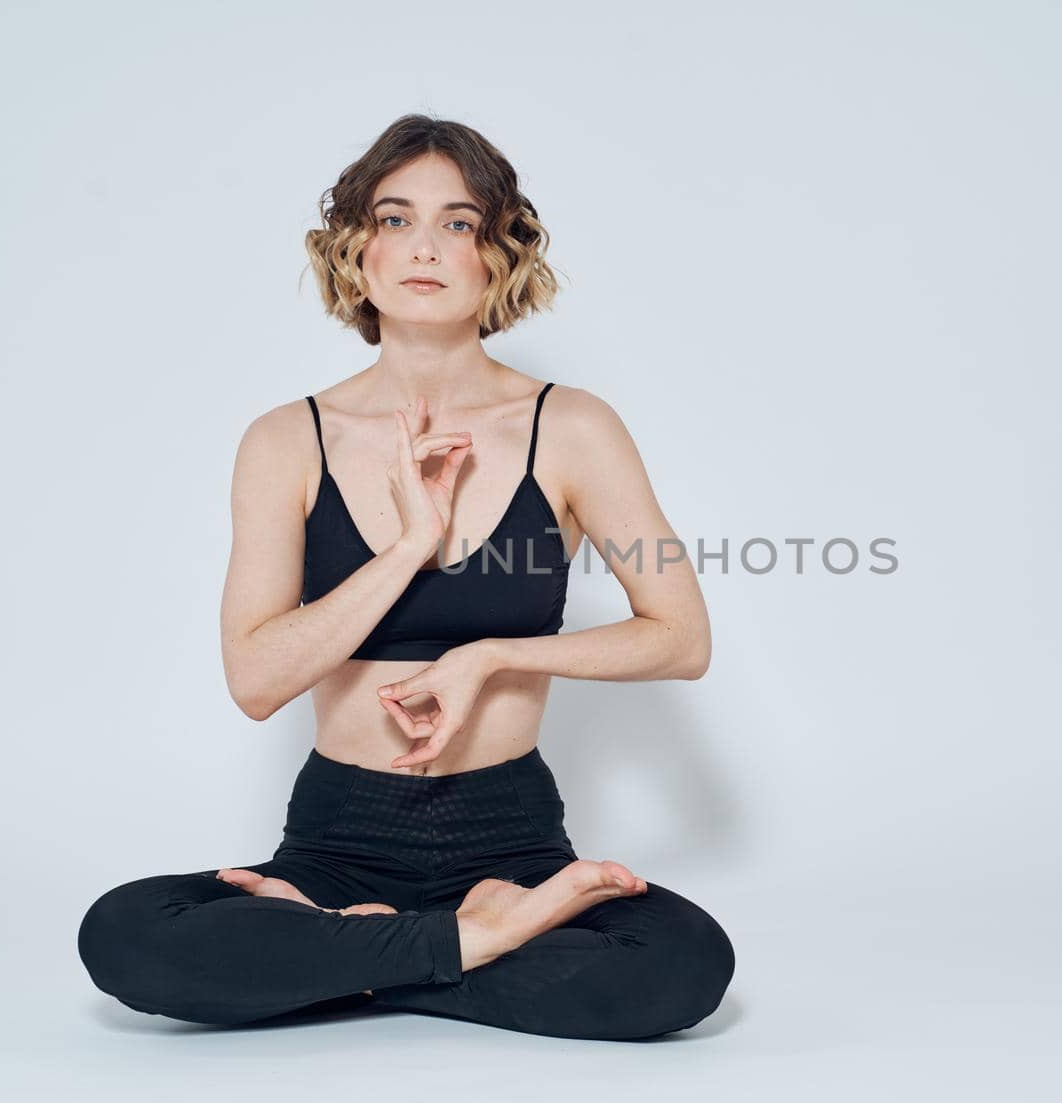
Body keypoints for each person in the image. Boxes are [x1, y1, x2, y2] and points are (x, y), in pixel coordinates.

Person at [76, 116, 735, 1040]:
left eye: (459, 223)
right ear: (356, 250)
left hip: (509, 834)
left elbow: (682, 635)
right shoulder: (284, 440)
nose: (425, 245)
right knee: (124, 934)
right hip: (336, 842)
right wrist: (406, 546)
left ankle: (355, 959)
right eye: (394, 219)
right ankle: (473, 943)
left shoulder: (576, 428)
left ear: (498, 256)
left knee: (685, 964)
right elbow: (257, 681)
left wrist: (492, 656)